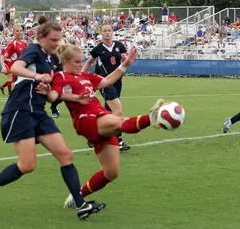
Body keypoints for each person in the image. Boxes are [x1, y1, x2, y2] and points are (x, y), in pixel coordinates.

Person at [0, 17, 106, 220]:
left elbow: (52, 93)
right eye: (53, 40)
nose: (57, 43)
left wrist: (72, 96)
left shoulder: (51, 59)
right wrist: (37, 77)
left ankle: (81, 205)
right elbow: (15, 68)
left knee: (65, 155)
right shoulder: (34, 50)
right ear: (42, 38)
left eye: (59, 39)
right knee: (28, 165)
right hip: (20, 110)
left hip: (38, 112)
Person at [47, 43, 166, 208]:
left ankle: (78, 195)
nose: (81, 65)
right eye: (77, 62)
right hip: (85, 119)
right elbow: (53, 96)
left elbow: (107, 80)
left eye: (81, 61)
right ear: (66, 62)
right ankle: (151, 118)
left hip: (100, 115)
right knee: (119, 122)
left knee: (111, 172)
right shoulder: (60, 76)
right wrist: (73, 97)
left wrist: (125, 64)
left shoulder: (86, 76)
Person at [82, 24, 131, 151]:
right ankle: (117, 140)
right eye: (105, 31)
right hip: (104, 81)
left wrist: (126, 59)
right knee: (118, 110)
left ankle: (94, 135)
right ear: (101, 33)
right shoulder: (98, 49)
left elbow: (125, 59)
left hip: (118, 81)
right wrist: (80, 76)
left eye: (109, 30)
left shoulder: (119, 46)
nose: (107, 33)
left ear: (112, 32)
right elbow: (89, 62)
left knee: (108, 112)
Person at [0, 25, 28, 95]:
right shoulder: (12, 44)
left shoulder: (24, 44)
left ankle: (7, 90)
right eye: (17, 31)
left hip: (21, 69)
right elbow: (2, 55)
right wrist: (3, 66)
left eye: (21, 31)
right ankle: (10, 93)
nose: (19, 32)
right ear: (14, 32)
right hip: (14, 68)